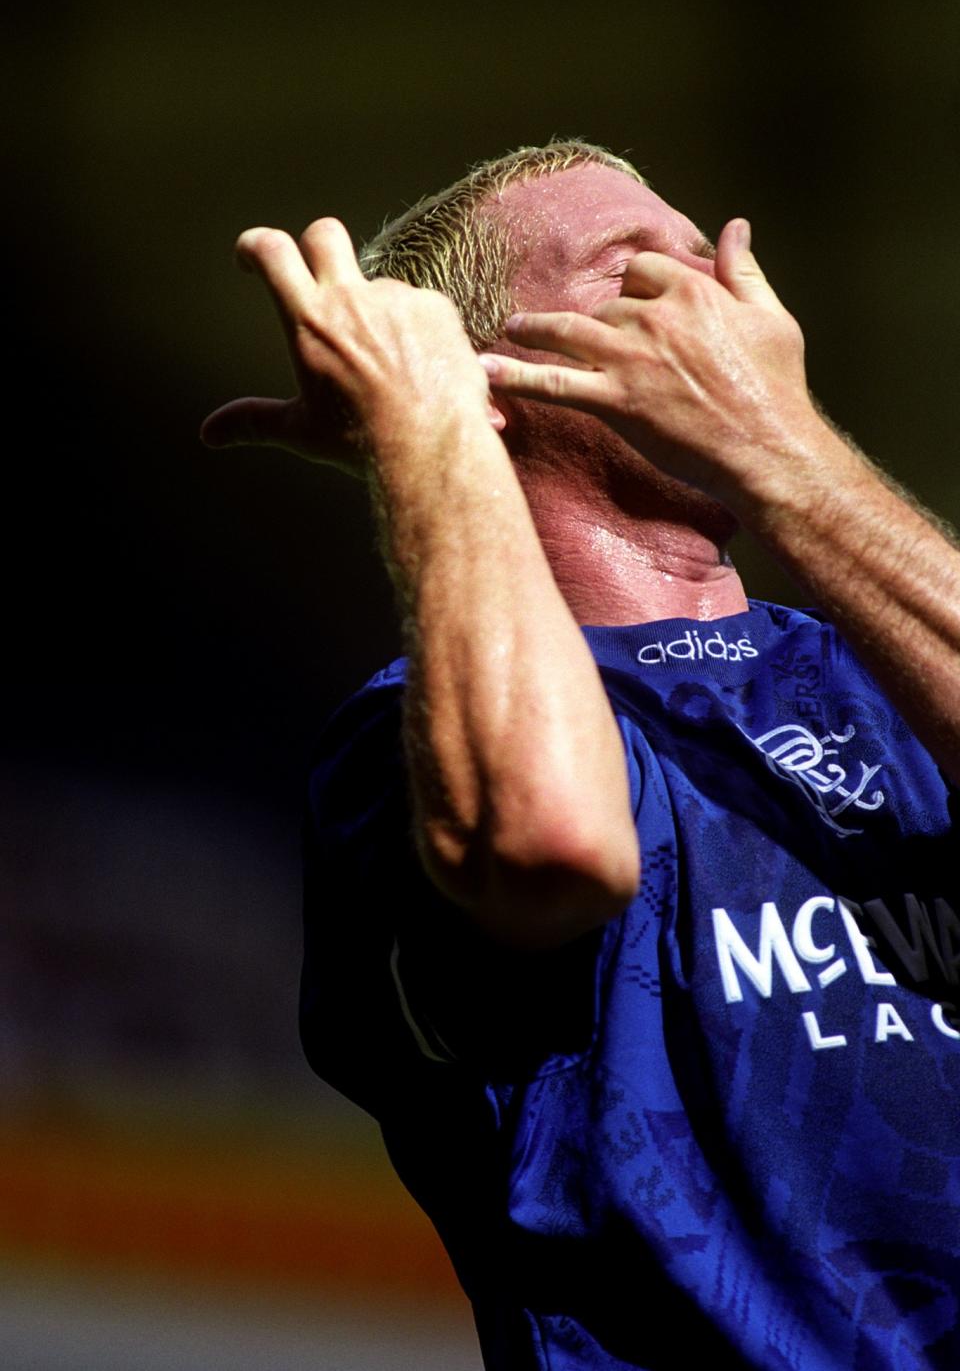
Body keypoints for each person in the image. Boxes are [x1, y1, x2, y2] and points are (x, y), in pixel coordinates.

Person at [202, 141, 960, 1369]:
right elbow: (553, 843)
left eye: (712, 267)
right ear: (487, 377)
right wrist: (425, 422)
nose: (711, 305)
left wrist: (791, 452)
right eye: (638, 272)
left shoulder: (883, 670)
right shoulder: (402, 747)